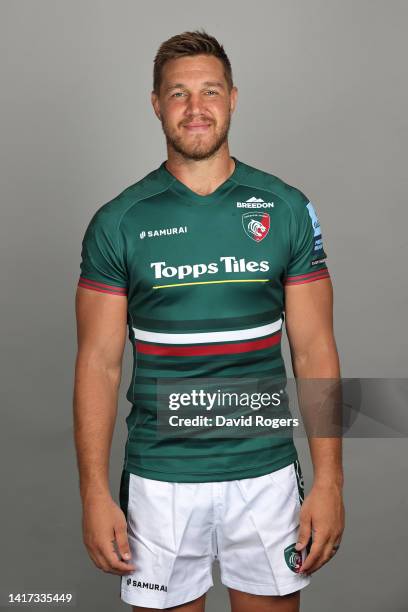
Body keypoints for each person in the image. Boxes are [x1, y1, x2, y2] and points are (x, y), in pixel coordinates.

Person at [73, 29, 345, 612]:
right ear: (156, 104)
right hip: (160, 478)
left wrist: (331, 482)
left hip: (265, 474)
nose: (196, 109)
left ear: (233, 99)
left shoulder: (285, 208)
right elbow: (98, 364)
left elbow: (315, 351)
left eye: (210, 92)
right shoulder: (119, 221)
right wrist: (94, 492)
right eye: (178, 94)